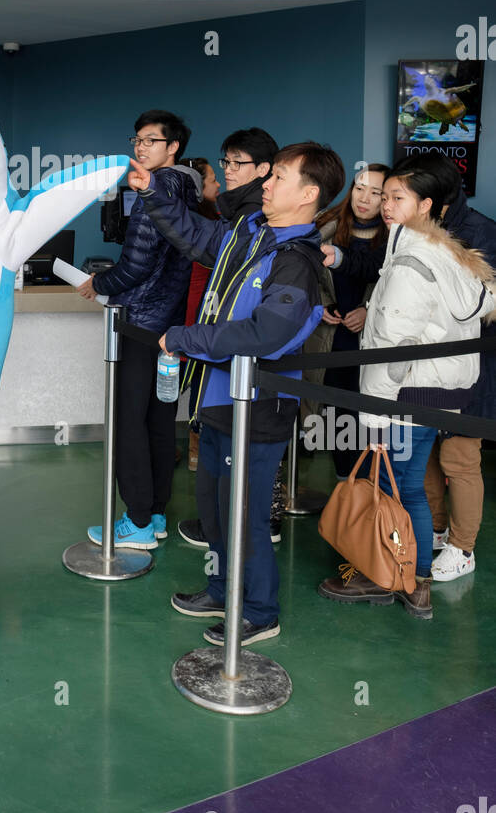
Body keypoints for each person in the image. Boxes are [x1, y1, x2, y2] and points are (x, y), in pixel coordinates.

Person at [132, 141, 345, 645]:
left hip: (259, 409)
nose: (265, 185)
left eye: (280, 178)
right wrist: (155, 195)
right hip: (219, 402)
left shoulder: (297, 261)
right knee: (213, 508)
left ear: (309, 193)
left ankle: (258, 610)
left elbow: (265, 334)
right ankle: (221, 587)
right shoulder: (249, 234)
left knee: (244, 516)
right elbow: (195, 234)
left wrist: (184, 338)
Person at [318, 160, 496, 619]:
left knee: (393, 487)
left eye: (397, 198)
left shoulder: (412, 262)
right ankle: (412, 580)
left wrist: (374, 417)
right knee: (409, 487)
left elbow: (389, 349)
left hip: (405, 396)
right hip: (434, 395)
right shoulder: (445, 253)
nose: (385, 205)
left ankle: (388, 576)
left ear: (426, 205)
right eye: (384, 196)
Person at [76, 111, 199, 549]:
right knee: (160, 422)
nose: (140, 147)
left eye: (152, 140)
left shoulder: (155, 190)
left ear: (173, 148)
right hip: (169, 327)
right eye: (138, 139)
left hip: (140, 322)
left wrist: (99, 283)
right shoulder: (188, 188)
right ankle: (157, 514)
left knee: (129, 423)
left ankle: (138, 522)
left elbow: (138, 262)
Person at [176, 128, 279, 544]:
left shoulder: (269, 232)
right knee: (220, 467)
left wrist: (193, 339)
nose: (228, 172)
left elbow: (265, 328)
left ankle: (251, 542)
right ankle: (223, 563)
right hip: (219, 362)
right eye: (225, 163)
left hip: (250, 376)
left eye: (238, 164)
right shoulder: (232, 220)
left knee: (245, 471)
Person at [420, 156, 496, 582]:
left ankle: (462, 548)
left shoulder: (480, 233)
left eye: (402, 191)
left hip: (473, 366)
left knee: (460, 457)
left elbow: (486, 306)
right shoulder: (418, 228)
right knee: (428, 449)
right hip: (426, 366)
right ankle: (435, 529)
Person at [304, 165, 390, 477]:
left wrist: (369, 309)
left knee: (362, 414)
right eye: (359, 188)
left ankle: (361, 489)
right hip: (330, 333)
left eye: (376, 192)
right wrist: (321, 304)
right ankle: (343, 489)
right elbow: (304, 277)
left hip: (369, 339)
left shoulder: (396, 238)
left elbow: (391, 285)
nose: (364, 198)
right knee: (329, 410)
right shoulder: (323, 226)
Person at [179, 158, 220, 470]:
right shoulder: (202, 227)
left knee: (197, 387)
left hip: (199, 321)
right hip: (191, 320)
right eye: (212, 180)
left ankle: (194, 449)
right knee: (192, 386)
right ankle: (192, 449)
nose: (218, 185)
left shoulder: (215, 221)